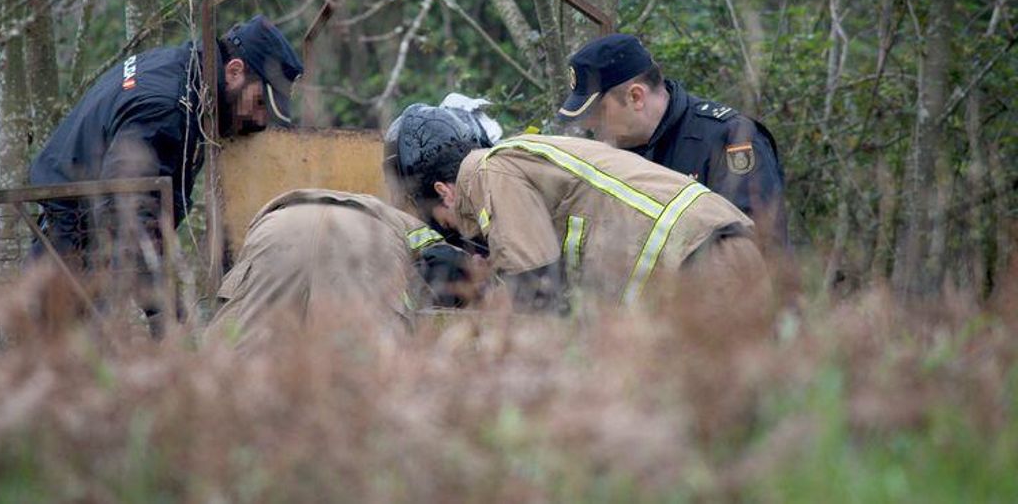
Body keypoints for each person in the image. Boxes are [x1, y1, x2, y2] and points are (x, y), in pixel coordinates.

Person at [28, 14, 303, 328]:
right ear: (234, 71)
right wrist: (167, 318)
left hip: (76, 240)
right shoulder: (166, 106)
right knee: (62, 363)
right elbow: (126, 215)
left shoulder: (178, 69)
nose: (261, 119)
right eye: (259, 103)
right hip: (74, 251)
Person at [384, 104, 769, 313]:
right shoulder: (526, 159)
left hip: (699, 264)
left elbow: (537, 296)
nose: (465, 232)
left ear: (444, 193)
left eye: (444, 222)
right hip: (727, 249)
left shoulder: (490, 172)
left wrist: (477, 293)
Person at [556, 34, 788, 254]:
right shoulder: (613, 152)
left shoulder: (729, 138)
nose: (590, 124)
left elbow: (757, 248)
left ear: (635, 97)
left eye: (598, 111)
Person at [208, 188, 478, 344]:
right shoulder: (412, 227)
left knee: (240, 353)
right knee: (365, 370)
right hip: (367, 236)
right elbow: (448, 261)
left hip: (278, 224)